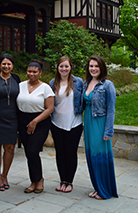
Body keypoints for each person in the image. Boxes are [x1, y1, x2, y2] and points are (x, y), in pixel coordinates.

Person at [16, 59, 54, 194]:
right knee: (28, 152)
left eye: (34, 72)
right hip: (23, 121)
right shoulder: (20, 85)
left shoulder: (45, 88)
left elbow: (49, 109)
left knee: (33, 151)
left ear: (40, 73)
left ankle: (39, 180)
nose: (31, 74)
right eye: (29, 71)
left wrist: (34, 122)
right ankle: (33, 181)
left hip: (40, 122)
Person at [83, 55, 118, 200]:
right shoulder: (86, 83)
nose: (93, 69)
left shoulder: (107, 85)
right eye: (91, 66)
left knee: (100, 156)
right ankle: (97, 188)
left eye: (96, 66)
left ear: (102, 68)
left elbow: (111, 109)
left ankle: (105, 191)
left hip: (100, 122)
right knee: (91, 156)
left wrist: (108, 131)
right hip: (88, 122)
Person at [49, 56, 83, 193]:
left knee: (71, 152)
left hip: (74, 123)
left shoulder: (78, 82)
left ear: (70, 67)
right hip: (56, 123)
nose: (64, 69)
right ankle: (62, 180)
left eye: (66, 66)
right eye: (61, 66)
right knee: (60, 153)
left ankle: (69, 182)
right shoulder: (53, 82)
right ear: (57, 67)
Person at [0, 53, 21, 191]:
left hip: (12, 118)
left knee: (9, 148)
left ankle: (5, 175)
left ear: (12, 65)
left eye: (9, 64)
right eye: (4, 63)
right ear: (0, 65)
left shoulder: (16, 78)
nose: (6, 66)